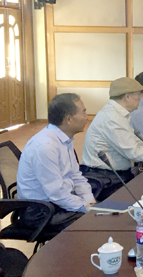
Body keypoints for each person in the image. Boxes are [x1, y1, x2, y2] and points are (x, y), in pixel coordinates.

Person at [17, 93, 95, 229]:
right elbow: (56, 193)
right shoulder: (45, 146)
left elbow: (75, 176)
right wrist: (86, 208)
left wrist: (91, 202)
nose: (86, 117)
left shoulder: (64, 139)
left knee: (101, 216)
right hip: (41, 211)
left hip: (59, 203)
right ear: (69, 119)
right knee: (92, 224)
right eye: (83, 112)